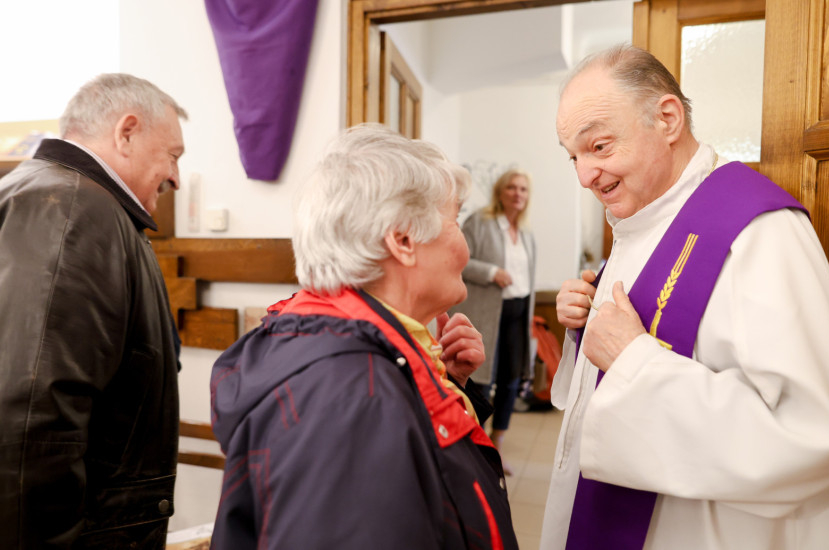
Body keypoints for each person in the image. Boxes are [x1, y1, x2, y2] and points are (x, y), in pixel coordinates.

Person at [539, 44, 829, 550]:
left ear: (667, 119)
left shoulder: (760, 231)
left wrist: (634, 362)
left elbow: (812, 435)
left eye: (598, 147)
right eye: (573, 156)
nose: (583, 176)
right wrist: (583, 326)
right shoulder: (641, 220)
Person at [210, 123, 518, 549]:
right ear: (403, 240)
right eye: (455, 219)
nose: (464, 245)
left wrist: (447, 385)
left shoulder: (360, 358)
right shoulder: (356, 396)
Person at [0, 74, 186, 549]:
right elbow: (31, 421)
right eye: (173, 156)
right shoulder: (73, 211)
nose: (176, 177)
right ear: (127, 133)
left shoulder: (68, 200)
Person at [451, 170, 536, 475]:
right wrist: (491, 272)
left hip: (518, 312)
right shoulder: (479, 222)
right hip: (487, 313)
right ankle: (475, 446)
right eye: (511, 187)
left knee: (511, 380)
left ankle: (497, 445)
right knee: (482, 381)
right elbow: (459, 259)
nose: (517, 193)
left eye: (523, 189)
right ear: (500, 192)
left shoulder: (526, 233)